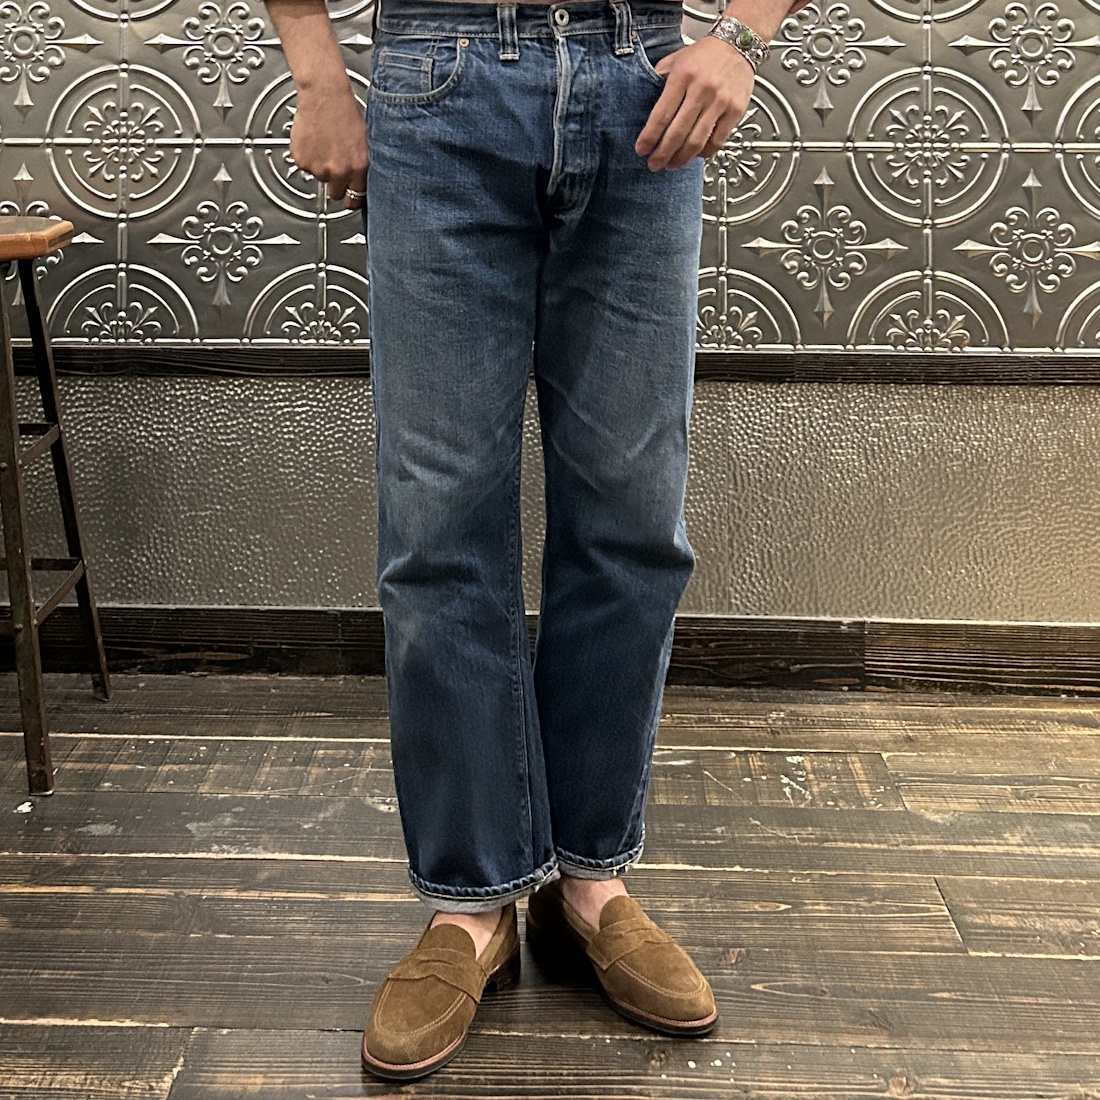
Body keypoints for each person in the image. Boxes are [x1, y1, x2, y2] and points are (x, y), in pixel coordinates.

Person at [264, 0, 809, 1080]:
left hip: (639, 83)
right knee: (437, 527)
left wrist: (741, 35)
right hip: (440, 77)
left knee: (631, 521)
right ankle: (471, 903)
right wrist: (316, 71)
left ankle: (589, 881)